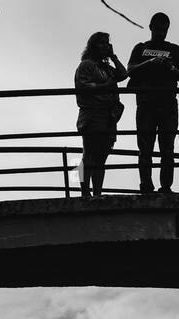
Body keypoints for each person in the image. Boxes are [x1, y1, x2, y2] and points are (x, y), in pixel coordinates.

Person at [126, 11, 179, 194]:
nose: (161, 32)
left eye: (164, 29)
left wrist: (169, 67)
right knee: (145, 148)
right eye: (159, 28)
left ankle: (165, 187)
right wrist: (151, 63)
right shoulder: (140, 48)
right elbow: (130, 70)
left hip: (167, 105)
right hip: (146, 105)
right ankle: (146, 185)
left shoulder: (175, 49)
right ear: (151, 27)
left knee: (167, 149)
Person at [74, 32, 128, 199]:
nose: (105, 46)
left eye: (107, 43)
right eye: (101, 43)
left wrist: (113, 56)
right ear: (93, 46)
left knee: (101, 157)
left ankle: (97, 193)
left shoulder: (105, 67)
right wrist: (105, 85)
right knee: (88, 155)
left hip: (108, 117)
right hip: (92, 115)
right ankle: (84, 191)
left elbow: (124, 75)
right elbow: (82, 86)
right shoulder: (86, 65)